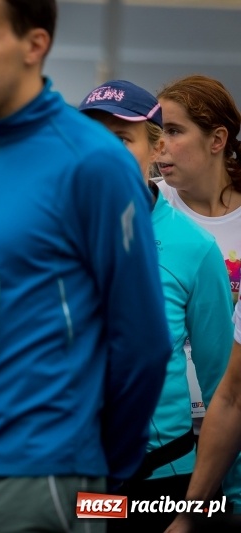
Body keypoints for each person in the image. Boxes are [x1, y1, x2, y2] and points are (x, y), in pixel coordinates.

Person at [0, 1, 173, 532]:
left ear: (34, 44)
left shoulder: (95, 161)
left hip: (40, 476)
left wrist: (93, 469)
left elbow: (143, 345)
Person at [78, 79, 234, 531]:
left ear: (155, 147)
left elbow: (229, 390)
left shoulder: (194, 248)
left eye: (122, 139)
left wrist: (215, 508)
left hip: (160, 487)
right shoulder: (49, 237)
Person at [154, 74, 241, 509]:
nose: (160, 145)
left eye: (173, 130)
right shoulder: (153, 207)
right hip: (163, 435)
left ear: (217, 139)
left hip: (231, 413)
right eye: (156, 132)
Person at [166, 301, 241, 533]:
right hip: (88, 469)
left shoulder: (197, 264)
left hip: (167, 465)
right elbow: (233, 398)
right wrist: (190, 514)